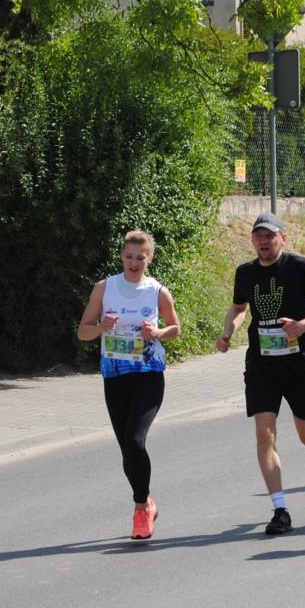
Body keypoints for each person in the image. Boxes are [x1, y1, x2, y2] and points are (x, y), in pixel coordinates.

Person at [217, 212, 305, 536]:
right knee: (264, 434)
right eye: (259, 236)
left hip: (299, 363)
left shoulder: (300, 267)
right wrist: (228, 331)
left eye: (270, 236)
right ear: (252, 240)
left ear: (283, 238)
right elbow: (239, 308)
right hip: (262, 365)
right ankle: (280, 509)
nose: (264, 242)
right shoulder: (245, 273)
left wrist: (304, 324)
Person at [76, 230, 180, 540]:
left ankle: (140, 509)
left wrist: (157, 333)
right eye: (129, 257)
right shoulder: (105, 288)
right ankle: (147, 500)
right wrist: (100, 328)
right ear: (121, 256)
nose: (134, 263)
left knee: (136, 441)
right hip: (115, 376)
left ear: (150, 258)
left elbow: (175, 328)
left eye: (140, 258)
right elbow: (82, 331)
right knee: (127, 450)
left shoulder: (157, 291)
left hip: (148, 374)